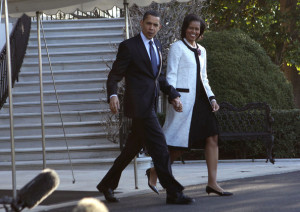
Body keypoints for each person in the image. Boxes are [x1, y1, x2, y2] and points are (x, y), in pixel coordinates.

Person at [96, 10, 195, 205]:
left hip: (151, 103)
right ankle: (173, 192)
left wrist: (173, 94)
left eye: (155, 25)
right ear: (141, 23)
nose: (151, 28)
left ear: (159, 27)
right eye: (148, 24)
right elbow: (114, 75)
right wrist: (113, 95)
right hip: (138, 106)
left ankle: (106, 184)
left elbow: (157, 77)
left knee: (130, 150)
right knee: (160, 148)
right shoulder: (129, 46)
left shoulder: (157, 45)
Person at [147, 14, 233, 196]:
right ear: (185, 28)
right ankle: (155, 171)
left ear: (201, 32)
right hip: (183, 101)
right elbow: (171, 75)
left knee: (213, 137)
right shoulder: (177, 48)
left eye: (197, 29)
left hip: (202, 102)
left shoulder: (202, 50)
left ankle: (212, 183)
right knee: (178, 146)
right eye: (191, 28)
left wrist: (212, 98)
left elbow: (204, 78)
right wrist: (174, 97)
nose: (194, 31)